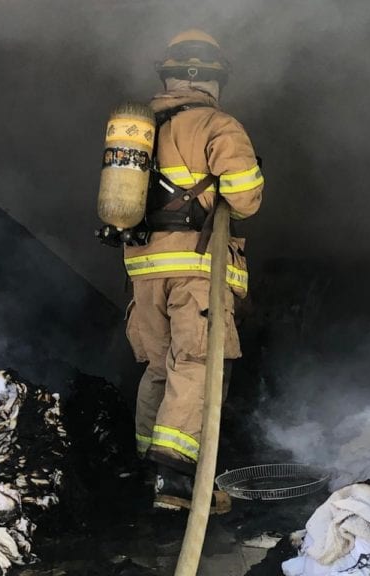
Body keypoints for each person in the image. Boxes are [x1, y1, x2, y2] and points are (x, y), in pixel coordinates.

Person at [123, 28, 264, 512]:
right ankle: (179, 487)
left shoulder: (139, 131)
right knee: (197, 369)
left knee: (159, 370)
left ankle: (150, 471)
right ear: (215, 79)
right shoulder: (217, 124)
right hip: (196, 271)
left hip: (144, 272)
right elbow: (244, 199)